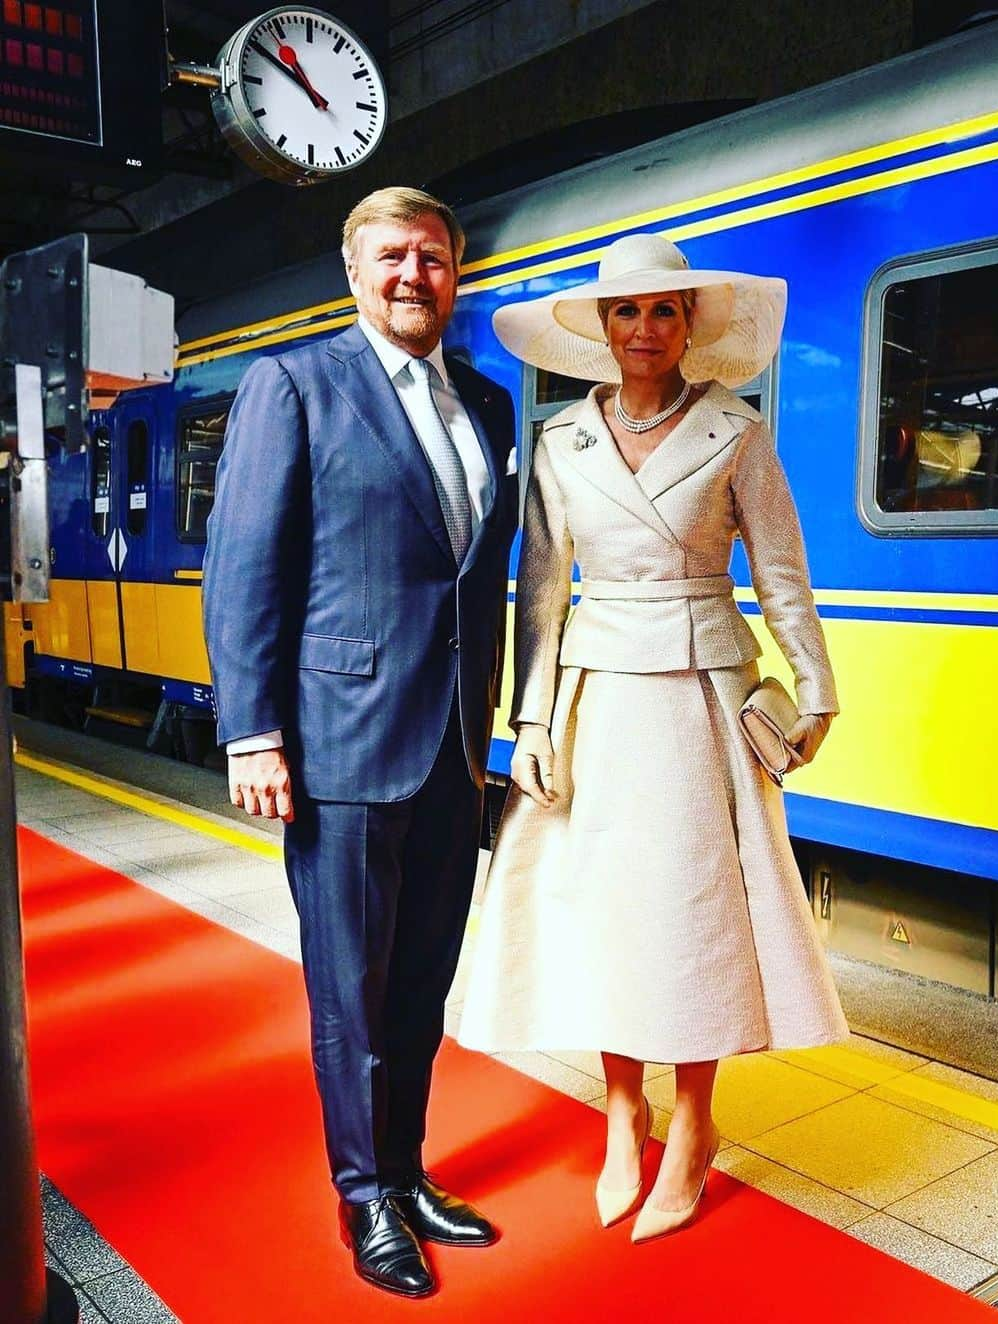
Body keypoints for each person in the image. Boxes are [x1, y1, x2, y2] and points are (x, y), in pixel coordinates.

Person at [458, 233, 848, 1243]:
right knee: (607, 910)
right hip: (594, 697)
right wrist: (532, 721)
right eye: (625, 311)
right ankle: (624, 1105)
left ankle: (696, 1120)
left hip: (698, 697)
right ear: (598, 325)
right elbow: (540, 588)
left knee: (694, 913)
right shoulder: (558, 446)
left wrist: (815, 685)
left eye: (663, 311)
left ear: (690, 324)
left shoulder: (735, 431)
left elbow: (783, 572)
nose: (643, 329)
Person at [203, 187, 519, 1298]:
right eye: (392, 256)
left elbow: (475, 579)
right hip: (338, 741)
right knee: (351, 986)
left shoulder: (485, 402)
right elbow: (246, 564)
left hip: (451, 744)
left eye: (433, 258)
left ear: (455, 274)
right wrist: (252, 732)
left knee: (422, 981)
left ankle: (407, 1166)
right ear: (353, 270)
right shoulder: (292, 384)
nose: (413, 275)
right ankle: (363, 1198)